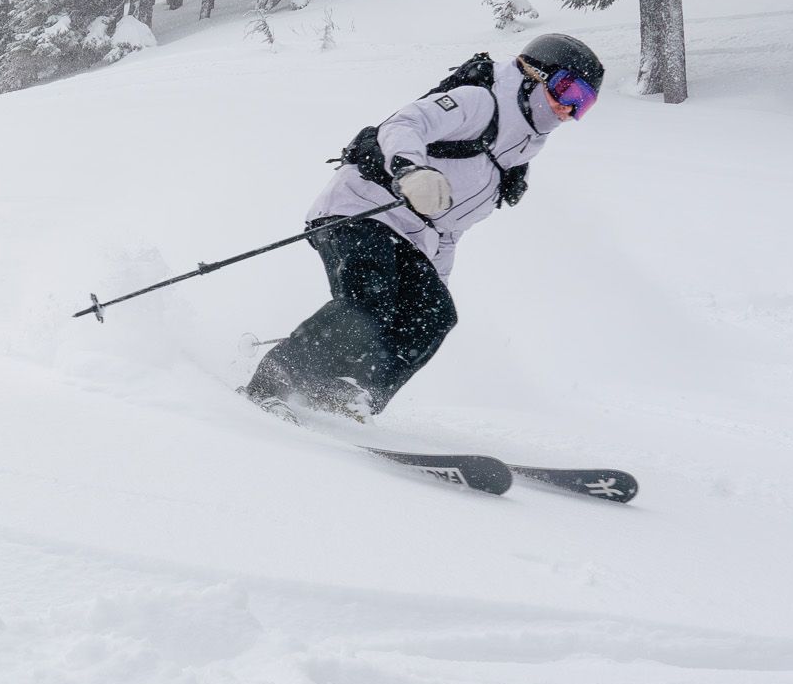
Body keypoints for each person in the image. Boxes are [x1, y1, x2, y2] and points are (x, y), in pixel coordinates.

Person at [246, 33, 604, 420]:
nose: (569, 109)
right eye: (567, 90)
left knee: (434, 314)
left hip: (413, 238)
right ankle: (270, 383)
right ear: (532, 74)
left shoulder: (515, 162)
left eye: (583, 104)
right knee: (371, 300)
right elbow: (406, 122)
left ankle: (351, 393)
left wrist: (433, 284)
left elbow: (450, 230)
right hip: (363, 208)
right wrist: (410, 170)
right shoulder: (481, 102)